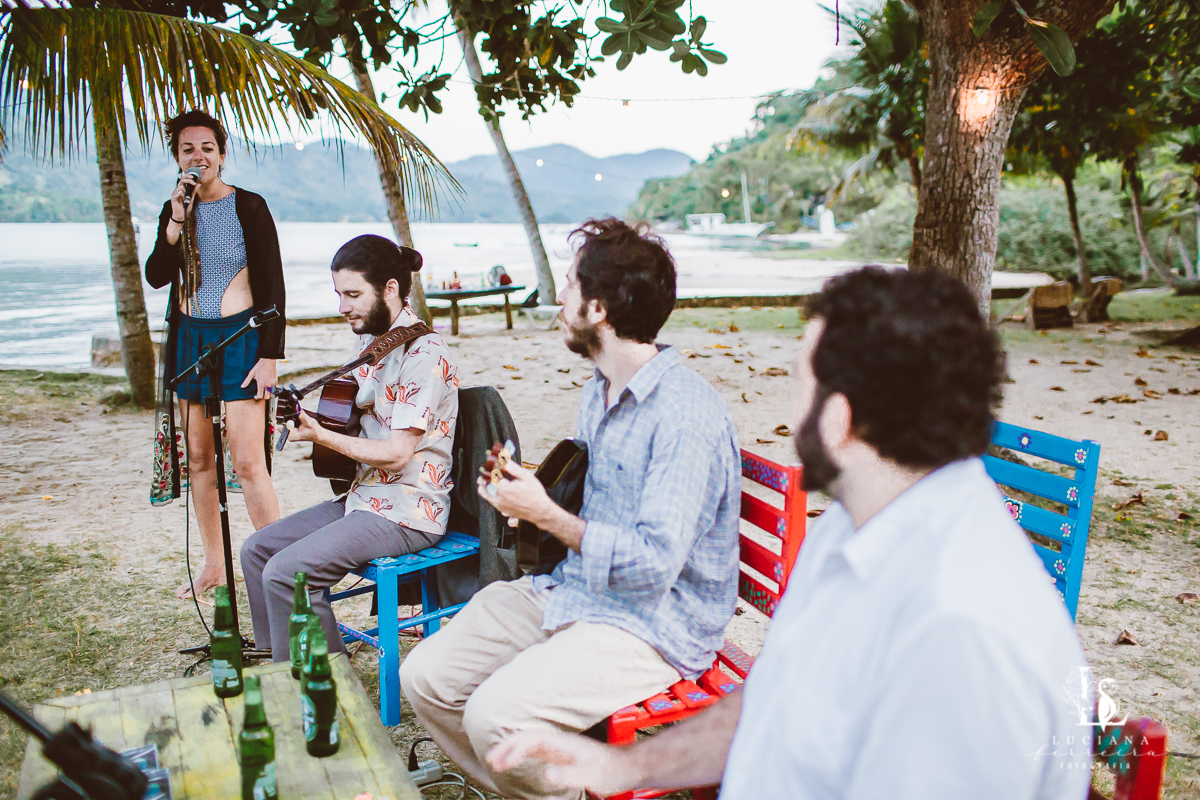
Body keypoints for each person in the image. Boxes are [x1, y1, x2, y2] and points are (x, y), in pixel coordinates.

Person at [486, 267, 1095, 800]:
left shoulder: (960, 635)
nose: (790, 403)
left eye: (799, 381)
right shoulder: (862, 523)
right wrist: (625, 765)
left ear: (838, 420)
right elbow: (776, 700)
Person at [399, 218, 743, 800]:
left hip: (656, 622)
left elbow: (656, 565)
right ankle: (547, 790)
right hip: (574, 588)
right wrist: (526, 497)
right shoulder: (600, 386)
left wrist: (550, 516)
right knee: (426, 678)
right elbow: (590, 503)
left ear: (600, 309)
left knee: (495, 716)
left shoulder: (684, 416)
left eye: (569, 285)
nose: (558, 297)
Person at [240, 235, 459, 661]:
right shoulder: (371, 343)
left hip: (409, 509)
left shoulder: (425, 353)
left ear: (390, 289)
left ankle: (325, 682)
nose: (343, 306)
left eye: (353, 294)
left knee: (288, 573)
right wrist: (305, 413)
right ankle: (283, 663)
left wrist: (320, 435)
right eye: (339, 294)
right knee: (258, 550)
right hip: (365, 497)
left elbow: (398, 453)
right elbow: (346, 410)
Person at [145, 110, 285, 599]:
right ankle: (214, 564)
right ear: (177, 159)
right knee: (200, 459)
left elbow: (273, 284)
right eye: (187, 150)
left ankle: (278, 567)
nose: (198, 156)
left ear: (222, 155)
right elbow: (157, 275)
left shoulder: (249, 205)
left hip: (241, 336)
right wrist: (176, 219)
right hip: (188, 339)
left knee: (247, 462)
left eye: (206, 147)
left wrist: (270, 356)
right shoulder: (175, 210)